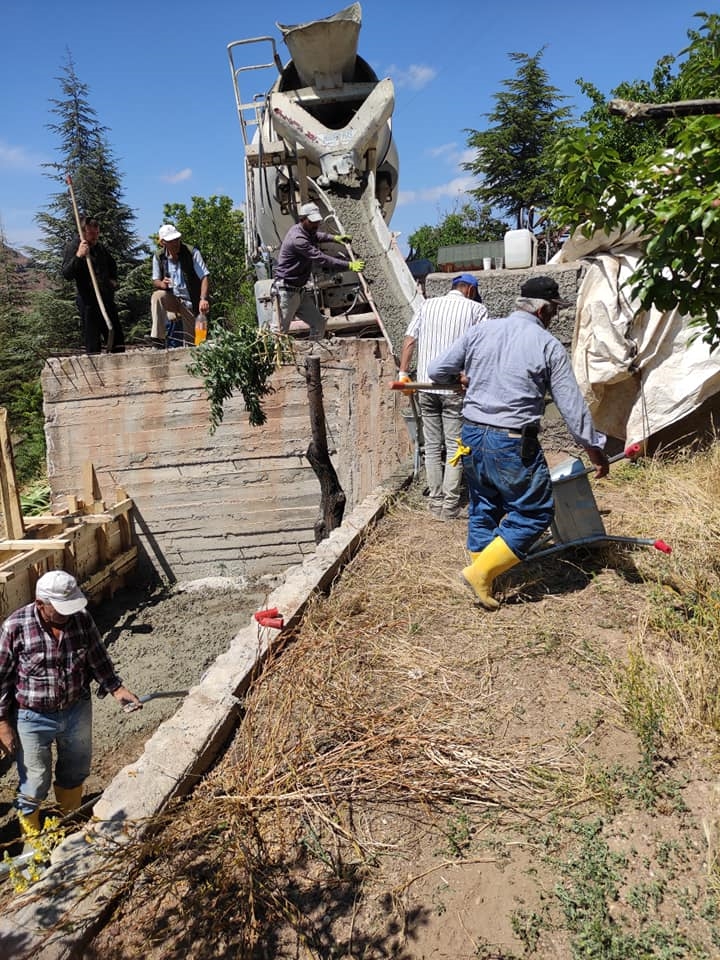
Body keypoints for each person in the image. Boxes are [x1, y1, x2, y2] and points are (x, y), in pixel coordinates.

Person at [428, 275, 610, 609]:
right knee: (534, 512)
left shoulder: (481, 330)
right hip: (510, 441)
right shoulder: (547, 345)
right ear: (543, 310)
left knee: (484, 506)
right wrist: (594, 449)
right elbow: (571, 405)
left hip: (471, 433)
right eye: (554, 309)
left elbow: (437, 369)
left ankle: (486, 575)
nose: (554, 315)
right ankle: (481, 573)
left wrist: (460, 378)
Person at [0, 570, 141, 835]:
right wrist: (2, 723)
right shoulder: (15, 626)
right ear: (40, 604)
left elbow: (97, 656)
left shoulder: (80, 619)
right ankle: (34, 840)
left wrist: (117, 688)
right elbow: (2, 678)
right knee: (34, 781)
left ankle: (68, 822)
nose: (67, 614)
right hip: (32, 717)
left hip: (76, 709)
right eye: (60, 609)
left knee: (76, 770)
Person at [398, 274, 489, 520]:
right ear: (470, 290)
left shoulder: (426, 305)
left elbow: (409, 340)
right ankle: (449, 506)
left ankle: (435, 503)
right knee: (454, 448)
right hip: (452, 390)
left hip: (425, 388)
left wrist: (403, 372)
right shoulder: (477, 310)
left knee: (431, 447)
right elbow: (480, 348)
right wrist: (469, 376)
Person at [271, 202, 365, 340]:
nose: (316, 225)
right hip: (286, 292)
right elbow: (321, 259)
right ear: (302, 219)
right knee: (279, 332)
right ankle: (270, 360)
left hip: (299, 291)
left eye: (317, 222)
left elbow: (317, 236)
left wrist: (335, 238)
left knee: (319, 323)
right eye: (312, 222)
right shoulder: (298, 239)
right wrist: (349, 265)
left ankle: (312, 352)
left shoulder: (305, 231)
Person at [62, 215, 125, 354]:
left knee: (116, 337)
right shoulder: (74, 246)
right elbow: (67, 273)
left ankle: (118, 365)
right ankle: (95, 369)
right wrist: (79, 256)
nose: (95, 236)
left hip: (106, 298)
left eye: (97, 233)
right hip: (88, 300)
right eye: (91, 233)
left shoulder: (100, 248)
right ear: (83, 232)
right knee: (92, 339)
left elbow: (112, 264)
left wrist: (113, 280)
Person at [151, 224, 210, 347]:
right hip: (172, 299)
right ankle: (158, 338)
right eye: (171, 241)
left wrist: (203, 299)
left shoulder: (192, 252)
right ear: (163, 242)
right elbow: (155, 280)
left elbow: (204, 276)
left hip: (190, 302)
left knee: (194, 342)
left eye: (177, 239)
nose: (176, 243)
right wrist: (162, 284)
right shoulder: (158, 257)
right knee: (157, 296)